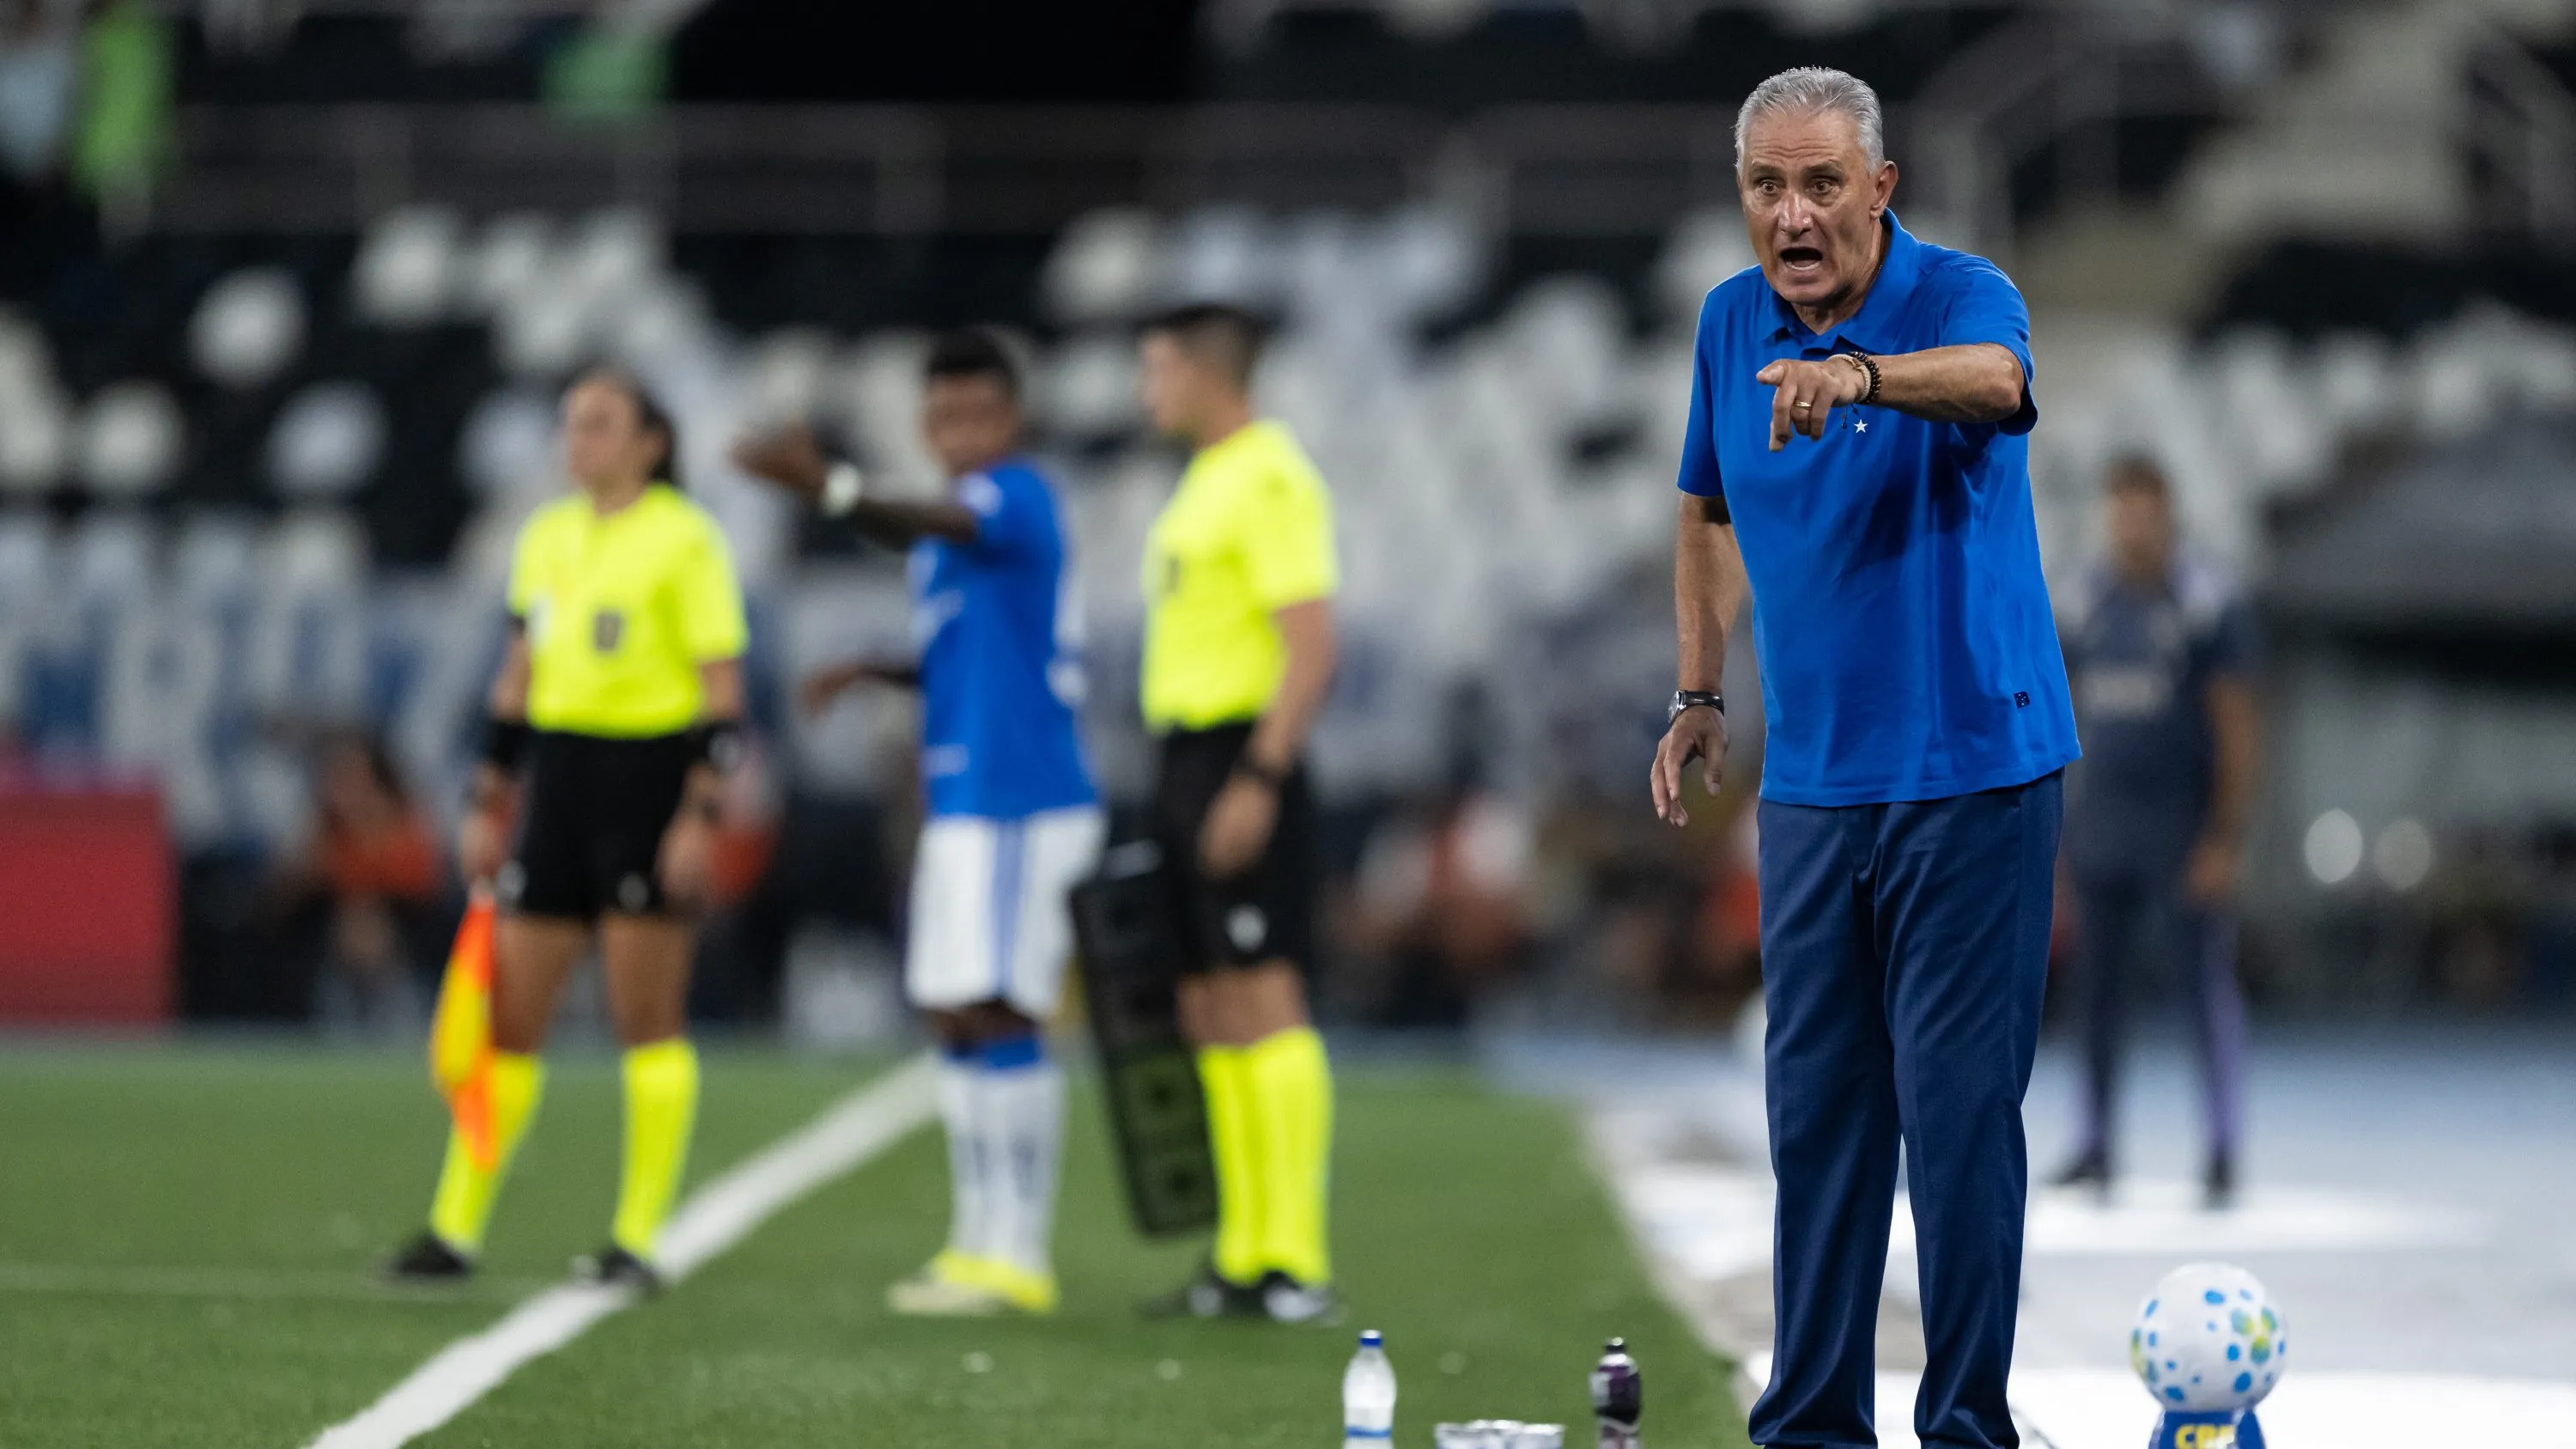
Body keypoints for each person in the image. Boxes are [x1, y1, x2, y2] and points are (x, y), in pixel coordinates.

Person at [1648, 68, 2079, 1449]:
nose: (1793, 212)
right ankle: (1813, 1424)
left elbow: (2004, 385)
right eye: (1768, 186)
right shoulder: (1726, 324)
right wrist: (1700, 686)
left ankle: (1964, 1427)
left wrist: (1863, 377)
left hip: (1974, 771)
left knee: (1956, 1121)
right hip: (1817, 788)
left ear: (1880, 188)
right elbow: (1707, 512)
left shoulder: (1959, 292)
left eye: (1823, 183)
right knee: (1819, 1121)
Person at [729, 328, 1103, 1318]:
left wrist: (834, 489)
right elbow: (970, 655)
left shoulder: (1011, 497)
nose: (959, 432)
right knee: (950, 1008)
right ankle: (978, 1239)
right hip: (965, 797)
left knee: (1000, 1005)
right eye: (942, 416)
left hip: (1022, 796)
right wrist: (871, 670)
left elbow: (928, 520)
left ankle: (1019, 1248)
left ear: (1012, 419)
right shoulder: (952, 540)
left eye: (977, 412)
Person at [387, 368, 748, 1291]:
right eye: (570, 425)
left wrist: (698, 816)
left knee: (644, 1016)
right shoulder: (546, 536)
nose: (576, 442)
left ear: (651, 442)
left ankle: (641, 1236)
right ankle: (454, 1226)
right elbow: (515, 678)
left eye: (598, 425)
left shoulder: (687, 541)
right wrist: (488, 795)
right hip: (561, 781)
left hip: (649, 781)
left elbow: (722, 699)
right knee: (512, 1017)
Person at [1131, 303, 1341, 1325]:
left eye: (1159, 369)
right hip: (1181, 756)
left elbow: (1310, 646)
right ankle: (1241, 1249)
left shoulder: (1269, 477)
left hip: (1236, 753)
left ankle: (1294, 1258)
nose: (1147, 390)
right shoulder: (1206, 477)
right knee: (1210, 1003)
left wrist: (1257, 778)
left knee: (1262, 995)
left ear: (1210, 373)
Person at [2053, 457, 2257, 1205]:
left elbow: (2236, 722)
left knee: (2202, 988)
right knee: (2094, 994)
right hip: (2101, 827)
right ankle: (2097, 1145)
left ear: (2166, 514)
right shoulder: (2082, 601)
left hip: (2179, 829)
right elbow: (2057, 708)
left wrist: (2224, 836)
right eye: (2119, 512)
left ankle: (2223, 1147)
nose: (2129, 527)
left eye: (2141, 511)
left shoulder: (2206, 603)